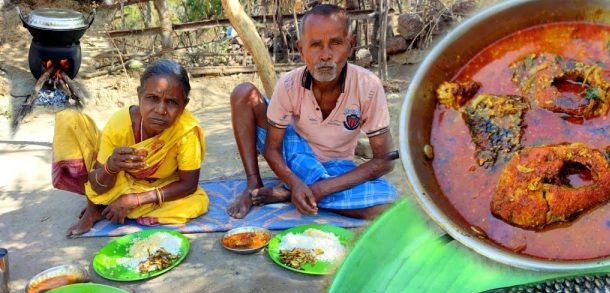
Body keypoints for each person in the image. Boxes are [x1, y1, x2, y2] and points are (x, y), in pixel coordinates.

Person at [226, 4, 398, 220]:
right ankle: (255, 184)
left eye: (336, 43)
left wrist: (320, 189)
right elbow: (272, 149)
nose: (325, 55)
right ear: (301, 49)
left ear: (350, 45)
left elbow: (383, 160)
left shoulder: (368, 85)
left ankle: (291, 194)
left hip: (337, 168)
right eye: (315, 45)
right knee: (243, 93)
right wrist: (295, 182)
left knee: (386, 208)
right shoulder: (289, 84)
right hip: (295, 157)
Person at [52, 59, 209, 236]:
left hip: (160, 185)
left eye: (172, 102)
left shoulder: (186, 130)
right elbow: (97, 185)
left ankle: (114, 206)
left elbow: (189, 185)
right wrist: (111, 167)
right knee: (69, 120)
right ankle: (94, 209)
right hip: (120, 181)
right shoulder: (119, 124)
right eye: (152, 98)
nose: (160, 110)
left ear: (184, 105)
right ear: (139, 95)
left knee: (196, 203)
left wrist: (136, 199)